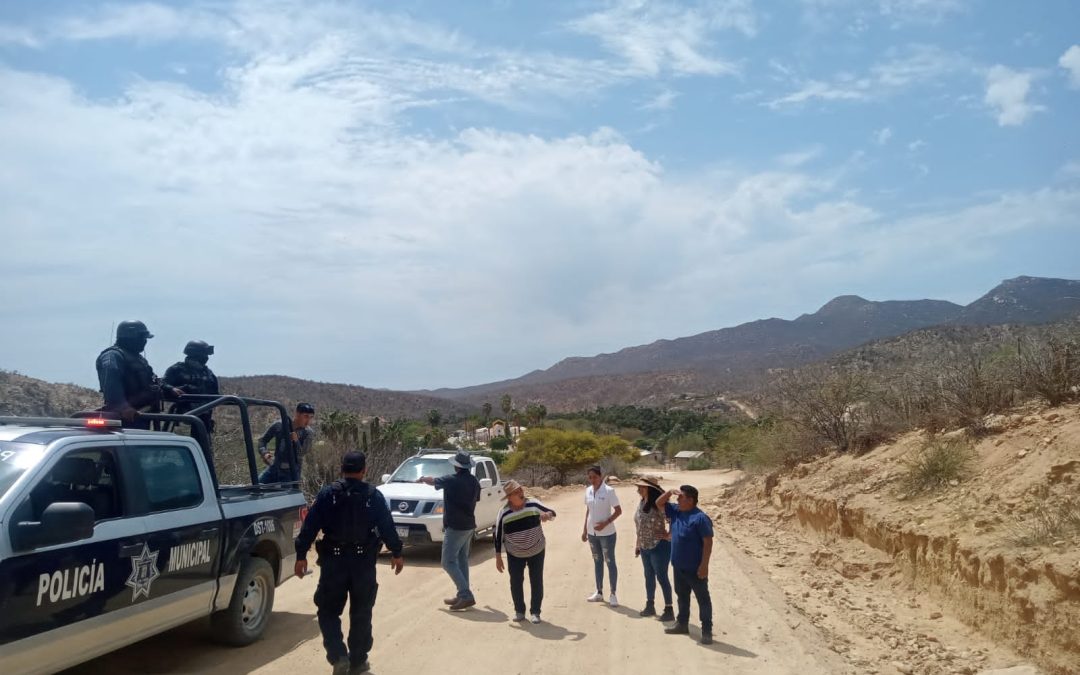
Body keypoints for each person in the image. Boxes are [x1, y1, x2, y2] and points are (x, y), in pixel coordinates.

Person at [294, 451, 404, 675]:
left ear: (341, 469)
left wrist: (301, 555)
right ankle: (358, 661)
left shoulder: (327, 494)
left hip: (334, 562)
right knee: (362, 612)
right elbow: (387, 526)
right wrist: (397, 552)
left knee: (327, 610)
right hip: (363, 563)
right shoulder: (374, 496)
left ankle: (338, 656)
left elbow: (310, 526)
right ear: (363, 471)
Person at [418, 451, 480, 611]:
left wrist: (423, 478)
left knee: (447, 562)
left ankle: (466, 595)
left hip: (455, 526)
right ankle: (462, 594)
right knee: (462, 560)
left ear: (456, 466)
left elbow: (433, 481)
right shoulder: (474, 482)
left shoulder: (452, 480)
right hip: (469, 525)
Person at [95, 320, 182, 429]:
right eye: (142, 338)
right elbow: (111, 383)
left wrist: (169, 388)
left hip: (141, 415)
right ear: (131, 336)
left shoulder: (138, 359)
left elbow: (152, 379)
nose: (145, 341)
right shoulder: (113, 356)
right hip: (125, 418)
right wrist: (123, 407)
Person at [656, 484, 714, 645]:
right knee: (682, 597)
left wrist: (704, 566)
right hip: (678, 566)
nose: (677, 499)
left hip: (695, 568)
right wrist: (668, 492)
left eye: (680, 497)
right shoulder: (676, 511)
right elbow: (658, 503)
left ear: (690, 500)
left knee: (703, 599)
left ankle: (707, 630)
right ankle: (682, 624)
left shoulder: (700, 518)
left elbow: (708, 542)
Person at [493, 479, 556, 624]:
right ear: (509, 497)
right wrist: (498, 556)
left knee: (536, 580)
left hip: (537, 549)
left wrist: (548, 515)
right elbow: (498, 535)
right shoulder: (504, 513)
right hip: (515, 554)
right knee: (515, 581)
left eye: (520, 490)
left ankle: (535, 612)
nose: (520, 493)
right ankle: (519, 611)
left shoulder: (533, 504)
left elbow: (552, 512)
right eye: (516, 492)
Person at [634, 475, 674, 622]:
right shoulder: (642, 502)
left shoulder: (659, 505)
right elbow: (639, 524)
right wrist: (638, 543)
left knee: (662, 577)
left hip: (659, 546)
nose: (638, 489)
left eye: (641, 487)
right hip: (645, 547)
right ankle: (650, 605)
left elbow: (673, 520)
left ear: (649, 489)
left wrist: (669, 535)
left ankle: (669, 609)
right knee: (648, 576)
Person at [582, 464, 622, 607]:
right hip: (592, 534)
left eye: (595, 477)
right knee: (597, 561)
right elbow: (588, 511)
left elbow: (618, 511)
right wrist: (584, 530)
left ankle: (613, 594)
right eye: (590, 477)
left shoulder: (609, 491)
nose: (592, 480)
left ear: (600, 476)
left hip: (607, 534)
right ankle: (599, 592)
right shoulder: (587, 491)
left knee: (610, 562)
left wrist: (605, 523)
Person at [163, 340, 220, 436]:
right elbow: (161, 383)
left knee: (202, 448)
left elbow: (215, 394)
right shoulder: (177, 369)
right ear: (195, 354)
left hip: (204, 418)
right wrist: (171, 389)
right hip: (183, 418)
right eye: (204, 354)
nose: (206, 357)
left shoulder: (208, 373)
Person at [258, 403, 315, 484]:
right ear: (297, 414)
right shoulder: (280, 425)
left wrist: (296, 441)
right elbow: (262, 441)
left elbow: (303, 452)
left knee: (285, 496)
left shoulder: (308, 433)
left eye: (311, 417)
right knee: (255, 488)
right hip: (274, 468)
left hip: (291, 475)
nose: (308, 421)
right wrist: (265, 453)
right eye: (305, 416)